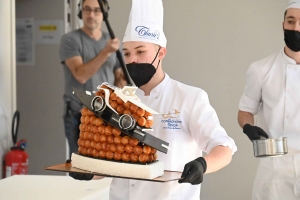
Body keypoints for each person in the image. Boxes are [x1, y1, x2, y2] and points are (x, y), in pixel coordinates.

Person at [107, 0, 237, 199]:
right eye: (127, 53)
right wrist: (85, 171)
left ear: (161, 53)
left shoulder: (190, 98)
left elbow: (224, 148)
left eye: (141, 51)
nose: (133, 60)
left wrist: (202, 165)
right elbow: (110, 161)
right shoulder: (120, 101)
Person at [237, 1, 300, 199]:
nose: (296, 28)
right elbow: (245, 111)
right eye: (291, 21)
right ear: (283, 25)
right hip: (274, 170)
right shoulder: (261, 69)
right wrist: (248, 127)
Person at [59, 0, 127, 159]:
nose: (91, 15)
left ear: (104, 14)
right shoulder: (70, 40)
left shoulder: (112, 42)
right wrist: (106, 52)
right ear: (80, 12)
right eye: (87, 10)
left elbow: (119, 80)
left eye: (97, 11)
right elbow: (80, 75)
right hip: (78, 113)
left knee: (106, 162)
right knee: (81, 164)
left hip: (106, 113)